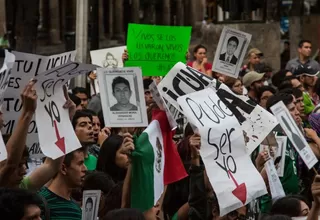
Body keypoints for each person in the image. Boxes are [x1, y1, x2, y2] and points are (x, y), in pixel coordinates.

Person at [38, 147, 87, 220]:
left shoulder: (77, 209)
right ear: (63, 168)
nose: (85, 169)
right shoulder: (40, 203)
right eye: (80, 163)